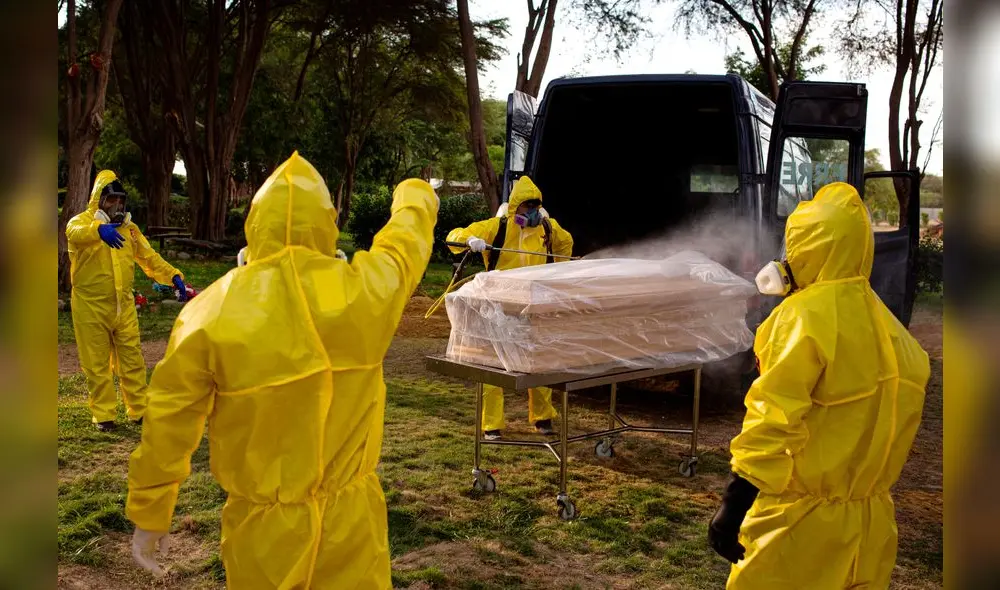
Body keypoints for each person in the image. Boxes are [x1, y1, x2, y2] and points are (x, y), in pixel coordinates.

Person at [126, 152, 438, 588]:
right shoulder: (367, 291)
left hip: (262, 533)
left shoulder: (210, 312)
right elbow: (405, 245)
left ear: (255, 225)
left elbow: (169, 417)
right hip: (351, 527)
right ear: (328, 223)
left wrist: (151, 510)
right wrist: (415, 193)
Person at [708, 182, 930, 589]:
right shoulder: (895, 334)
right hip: (870, 529)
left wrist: (734, 503)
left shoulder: (801, 319)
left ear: (807, 247)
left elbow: (773, 417)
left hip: (798, 523)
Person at [446, 175, 573, 440]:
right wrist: (470, 240)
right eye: (527, 206)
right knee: (494, 365)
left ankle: (543, 418)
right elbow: (453, 236)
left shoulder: (547, 228)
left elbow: (566, 243)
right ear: (516, 207)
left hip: (533, 305)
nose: (532, 211)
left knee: (538, 361)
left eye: (536, 206)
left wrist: (557, 270)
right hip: (498, 307)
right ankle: (492, 424)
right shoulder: (498, 227)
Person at [66, 170, 188, 432]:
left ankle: (139, 410)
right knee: (96, 363)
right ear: (99, 200)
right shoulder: (81, 223)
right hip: (89, 306)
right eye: (112, 200)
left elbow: (149, 258)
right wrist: (98, 230)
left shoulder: (129, 230)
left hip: (123, 305)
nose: (117, 205)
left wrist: (173, 276)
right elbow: (74, 233)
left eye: (120, 200)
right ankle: (104, 415)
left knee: (132, 360)